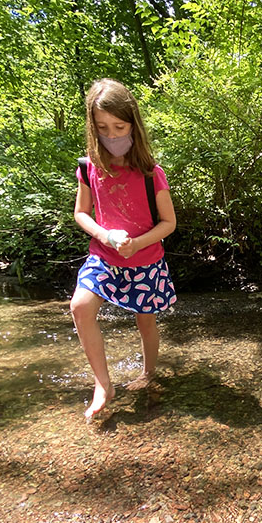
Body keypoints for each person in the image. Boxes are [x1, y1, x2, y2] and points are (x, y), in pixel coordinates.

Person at [70, 79, 177, 418]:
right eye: (102, 128)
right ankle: (104, 385)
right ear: (92, 127)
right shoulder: (89, 168)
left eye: (119, 127)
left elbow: (169, 223)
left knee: (145, 322)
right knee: (80, 307)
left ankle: (147, 373)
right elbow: (81, 214)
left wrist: (137, 243)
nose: (112, 135)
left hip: (145, 260)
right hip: (104, 256)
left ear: (133, 124)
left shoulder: (150, 173)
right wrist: (103, 235)